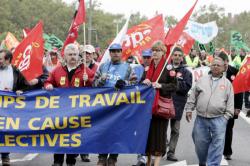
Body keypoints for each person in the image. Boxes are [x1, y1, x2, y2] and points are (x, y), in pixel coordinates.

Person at [44, 43, 94, 166]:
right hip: (60, 111)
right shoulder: (57, 70)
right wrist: (48, 85)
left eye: (75, 54)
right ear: (65, 56)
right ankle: (57, 161)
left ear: (78, 55)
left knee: (73, 137)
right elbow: (48, 82)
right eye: (70, 54)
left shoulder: (85, 71)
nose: (72, 57)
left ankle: (71, 161)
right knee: (60, 137)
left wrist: (88, 80)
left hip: (77, 112)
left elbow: (95, 89)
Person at [185, 56, 234, 166]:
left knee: (217, 145)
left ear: (223, 68)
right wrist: (189, 109)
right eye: (214, 64)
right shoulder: (202, 80)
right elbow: (193, 95)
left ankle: (212, 164)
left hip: (219, 119)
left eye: (218, 65)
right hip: (201, 118)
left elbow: (230, 102)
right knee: (200, 144)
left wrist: (226, 117)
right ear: (210, 66)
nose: (216, 66)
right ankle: (203, 162)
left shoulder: (227, 84)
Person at [93, 43, 137, 166]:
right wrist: (101, 80)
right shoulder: (102, 66)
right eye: (113, 51)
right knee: (103, 131)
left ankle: (113, 158)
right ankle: (102, 157)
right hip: (104, 105)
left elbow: (134, 84)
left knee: (116, 132)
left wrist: (125, 83)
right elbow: (93, 85)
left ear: (121, 52)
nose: (115, 53)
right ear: (110, 52)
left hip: (120, 107)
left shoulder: (128, 67)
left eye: (118, 51)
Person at [142, 41, 177, 166]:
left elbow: (174, 86)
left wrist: (160, 85)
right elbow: (141, 84)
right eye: (154, 50)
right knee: (148, 135)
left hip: (161, 106)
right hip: (147, 107)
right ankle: (148, 161)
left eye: (158, 51)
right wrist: (144, 81)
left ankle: (156, 163)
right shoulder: (147, 68)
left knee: (159, 135)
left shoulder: (168, 68)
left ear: (163, 53)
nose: (155, 53)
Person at [0, 49, 28, 166]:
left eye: (0, 59)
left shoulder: (16, 71)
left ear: (8, 60)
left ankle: (5, 156)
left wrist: (21, 90)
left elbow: (25, 85)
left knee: (5, 131)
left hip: (9, 107)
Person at [166, 47, 192, 161]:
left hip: (178, 104)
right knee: (161, 129)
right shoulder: (165, 69)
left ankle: (171, 152)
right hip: (165, 102)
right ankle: (163, 147)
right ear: (172, 56)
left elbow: (186, 87)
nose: (177, 57)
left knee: (175, 130)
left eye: (179, 55)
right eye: (175, 55)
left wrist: (175, 83)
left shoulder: (186, 72)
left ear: (182, 58)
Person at [216, 52, 244, 160]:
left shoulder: (234, 72)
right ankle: (216, 150)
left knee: (228, 129)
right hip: (216, 105)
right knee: (215, 129)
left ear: (227, 62)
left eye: (224, 63)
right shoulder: (213, 72)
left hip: (230, 105)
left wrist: (238, 107)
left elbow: (239, 90)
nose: (223, 65)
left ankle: (227, 151)